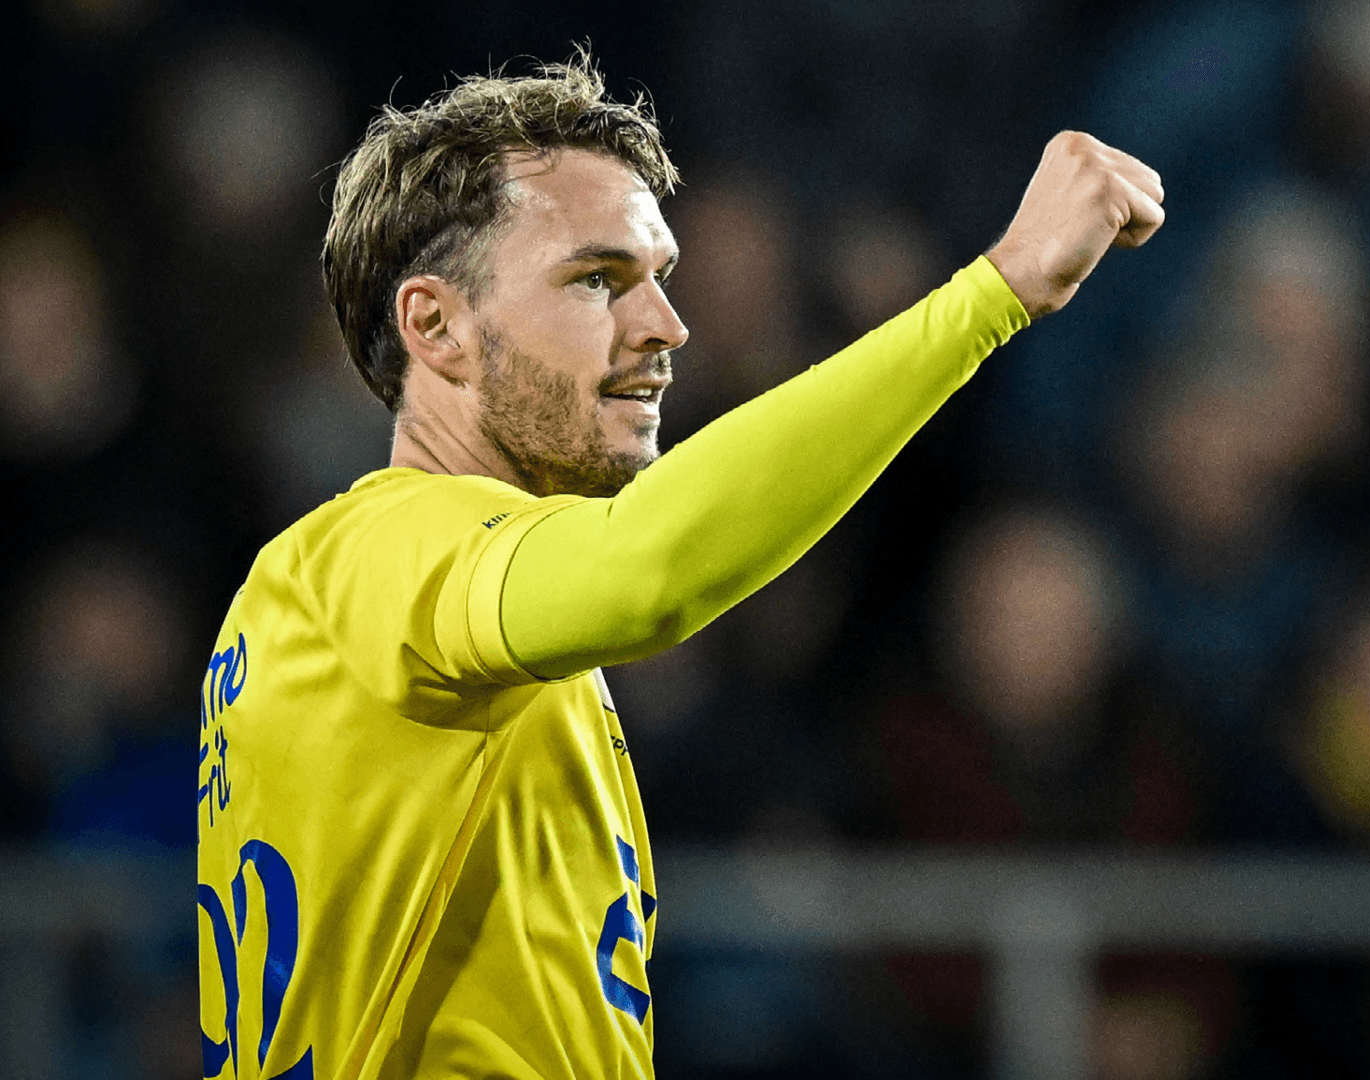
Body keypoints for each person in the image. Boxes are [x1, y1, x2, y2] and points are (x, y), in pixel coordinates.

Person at [195, 53, 1162, 1078]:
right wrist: (994, 292)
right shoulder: (383, 550)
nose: (666, 326)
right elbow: (648, 570)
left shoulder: (381, 603)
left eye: (659, 278)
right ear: (436, 325)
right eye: (596, 280)